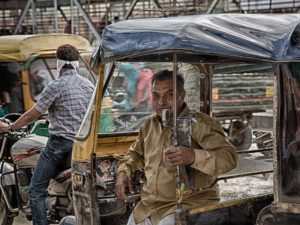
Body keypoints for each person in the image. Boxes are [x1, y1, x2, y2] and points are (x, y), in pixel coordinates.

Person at [115, 69, 238, 225]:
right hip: (148, 208)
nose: (161, 102)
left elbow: (229, 157)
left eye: (169, 95)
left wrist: (193, 156)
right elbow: (135, 154)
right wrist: (124, 170)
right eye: (156, 96)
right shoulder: (148, 125)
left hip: (187, 204)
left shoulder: (199, 124)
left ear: (182, 95)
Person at [0, 44, 94, 225]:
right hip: (83, 144)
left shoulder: (55, 86)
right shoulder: (88, 85)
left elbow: (30, 115)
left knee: (36, 190)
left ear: (59, 65)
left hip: (60, 145)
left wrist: (11, 128)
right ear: (76, 64)